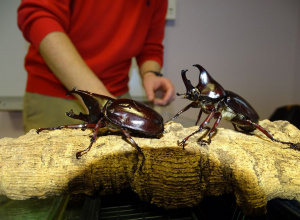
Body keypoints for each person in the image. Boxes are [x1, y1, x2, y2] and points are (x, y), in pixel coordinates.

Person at [17, 0, 175, 132]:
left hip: (118, 94)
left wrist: (151, 73)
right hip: (55, 93)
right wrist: (97, 95)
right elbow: (40, 16)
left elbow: (150, 45)